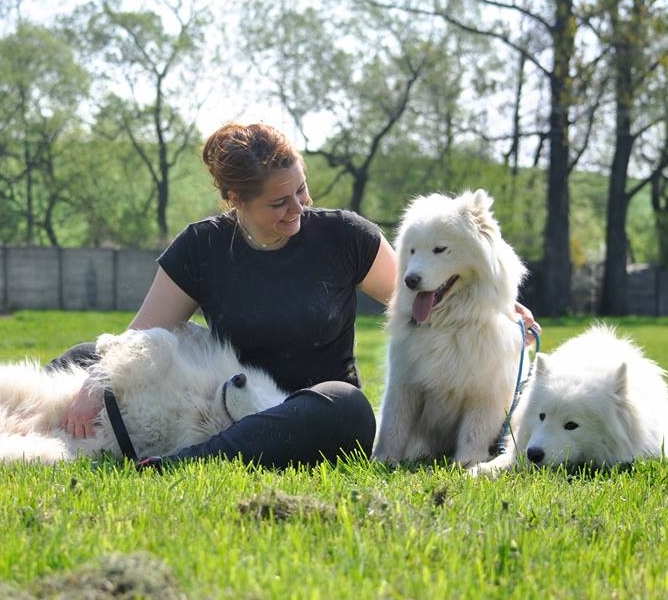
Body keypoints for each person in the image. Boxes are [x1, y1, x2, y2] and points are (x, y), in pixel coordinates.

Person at [48, 122, 539, 469]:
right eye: (278, 203)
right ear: (236, 201)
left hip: (315, 415)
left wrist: (500, 305)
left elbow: (424, 296)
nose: (296, 210)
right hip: (227, 403)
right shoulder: (202, 245)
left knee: (349, 407)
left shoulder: (347, 236)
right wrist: (95, 385)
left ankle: (180, 464)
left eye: (301, 192)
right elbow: (145, 332)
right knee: (82, 357)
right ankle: (24, 425)